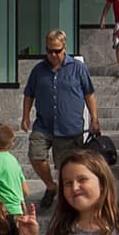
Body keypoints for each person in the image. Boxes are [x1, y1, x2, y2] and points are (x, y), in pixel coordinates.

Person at [21, 28, 99, 185]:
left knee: (66, 167)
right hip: (43, 125)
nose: (53, 55)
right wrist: (25, 116)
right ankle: (51, 186)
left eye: (57, 51)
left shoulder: (78, 68)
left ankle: (64, 197)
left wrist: (94, 118)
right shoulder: (38, 70)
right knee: (36, 155)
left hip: (69, 128)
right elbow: (29, 94)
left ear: (64, 48)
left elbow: (89, 94)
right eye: (49, 51)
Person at [0, 122, 31, 222]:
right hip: (19, 211)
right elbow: (26, 191)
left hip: (3, 212)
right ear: (10, 145)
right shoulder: (14, 160)